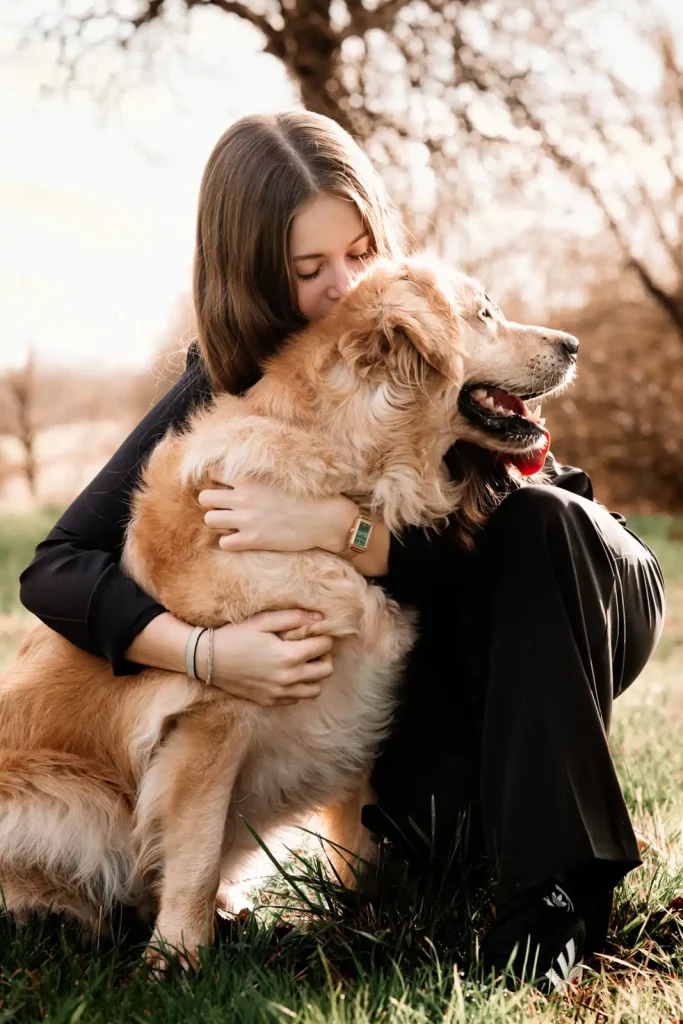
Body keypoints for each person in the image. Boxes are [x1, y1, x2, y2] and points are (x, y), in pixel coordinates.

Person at [19, 111, 664, 992]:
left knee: (535, 526)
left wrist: (339, 534)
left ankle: (557, 907)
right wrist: (209, 653)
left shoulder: (433, 345)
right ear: (255, 275)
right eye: (309, 268)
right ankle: (415, 895)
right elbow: (56, 566)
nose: (347, 284)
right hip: (477, 700)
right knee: (423, 828)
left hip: (583, 596)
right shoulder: (245, 385)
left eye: (359, 250)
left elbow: (514, 555)